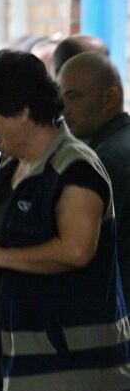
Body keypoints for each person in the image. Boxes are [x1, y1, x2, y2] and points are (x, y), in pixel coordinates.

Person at [0, 49, 130, 391]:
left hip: (75, 380)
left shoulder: (76, 168)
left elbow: (76, 250)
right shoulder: (10, 166)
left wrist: (1, 257)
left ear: (23, 112)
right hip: (15, 369)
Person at [58, 51, 130, 308]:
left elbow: (85, 249)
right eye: (61, 98)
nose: (64, 110)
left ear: (110, 98)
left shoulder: (104, 161)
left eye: (74, 97)